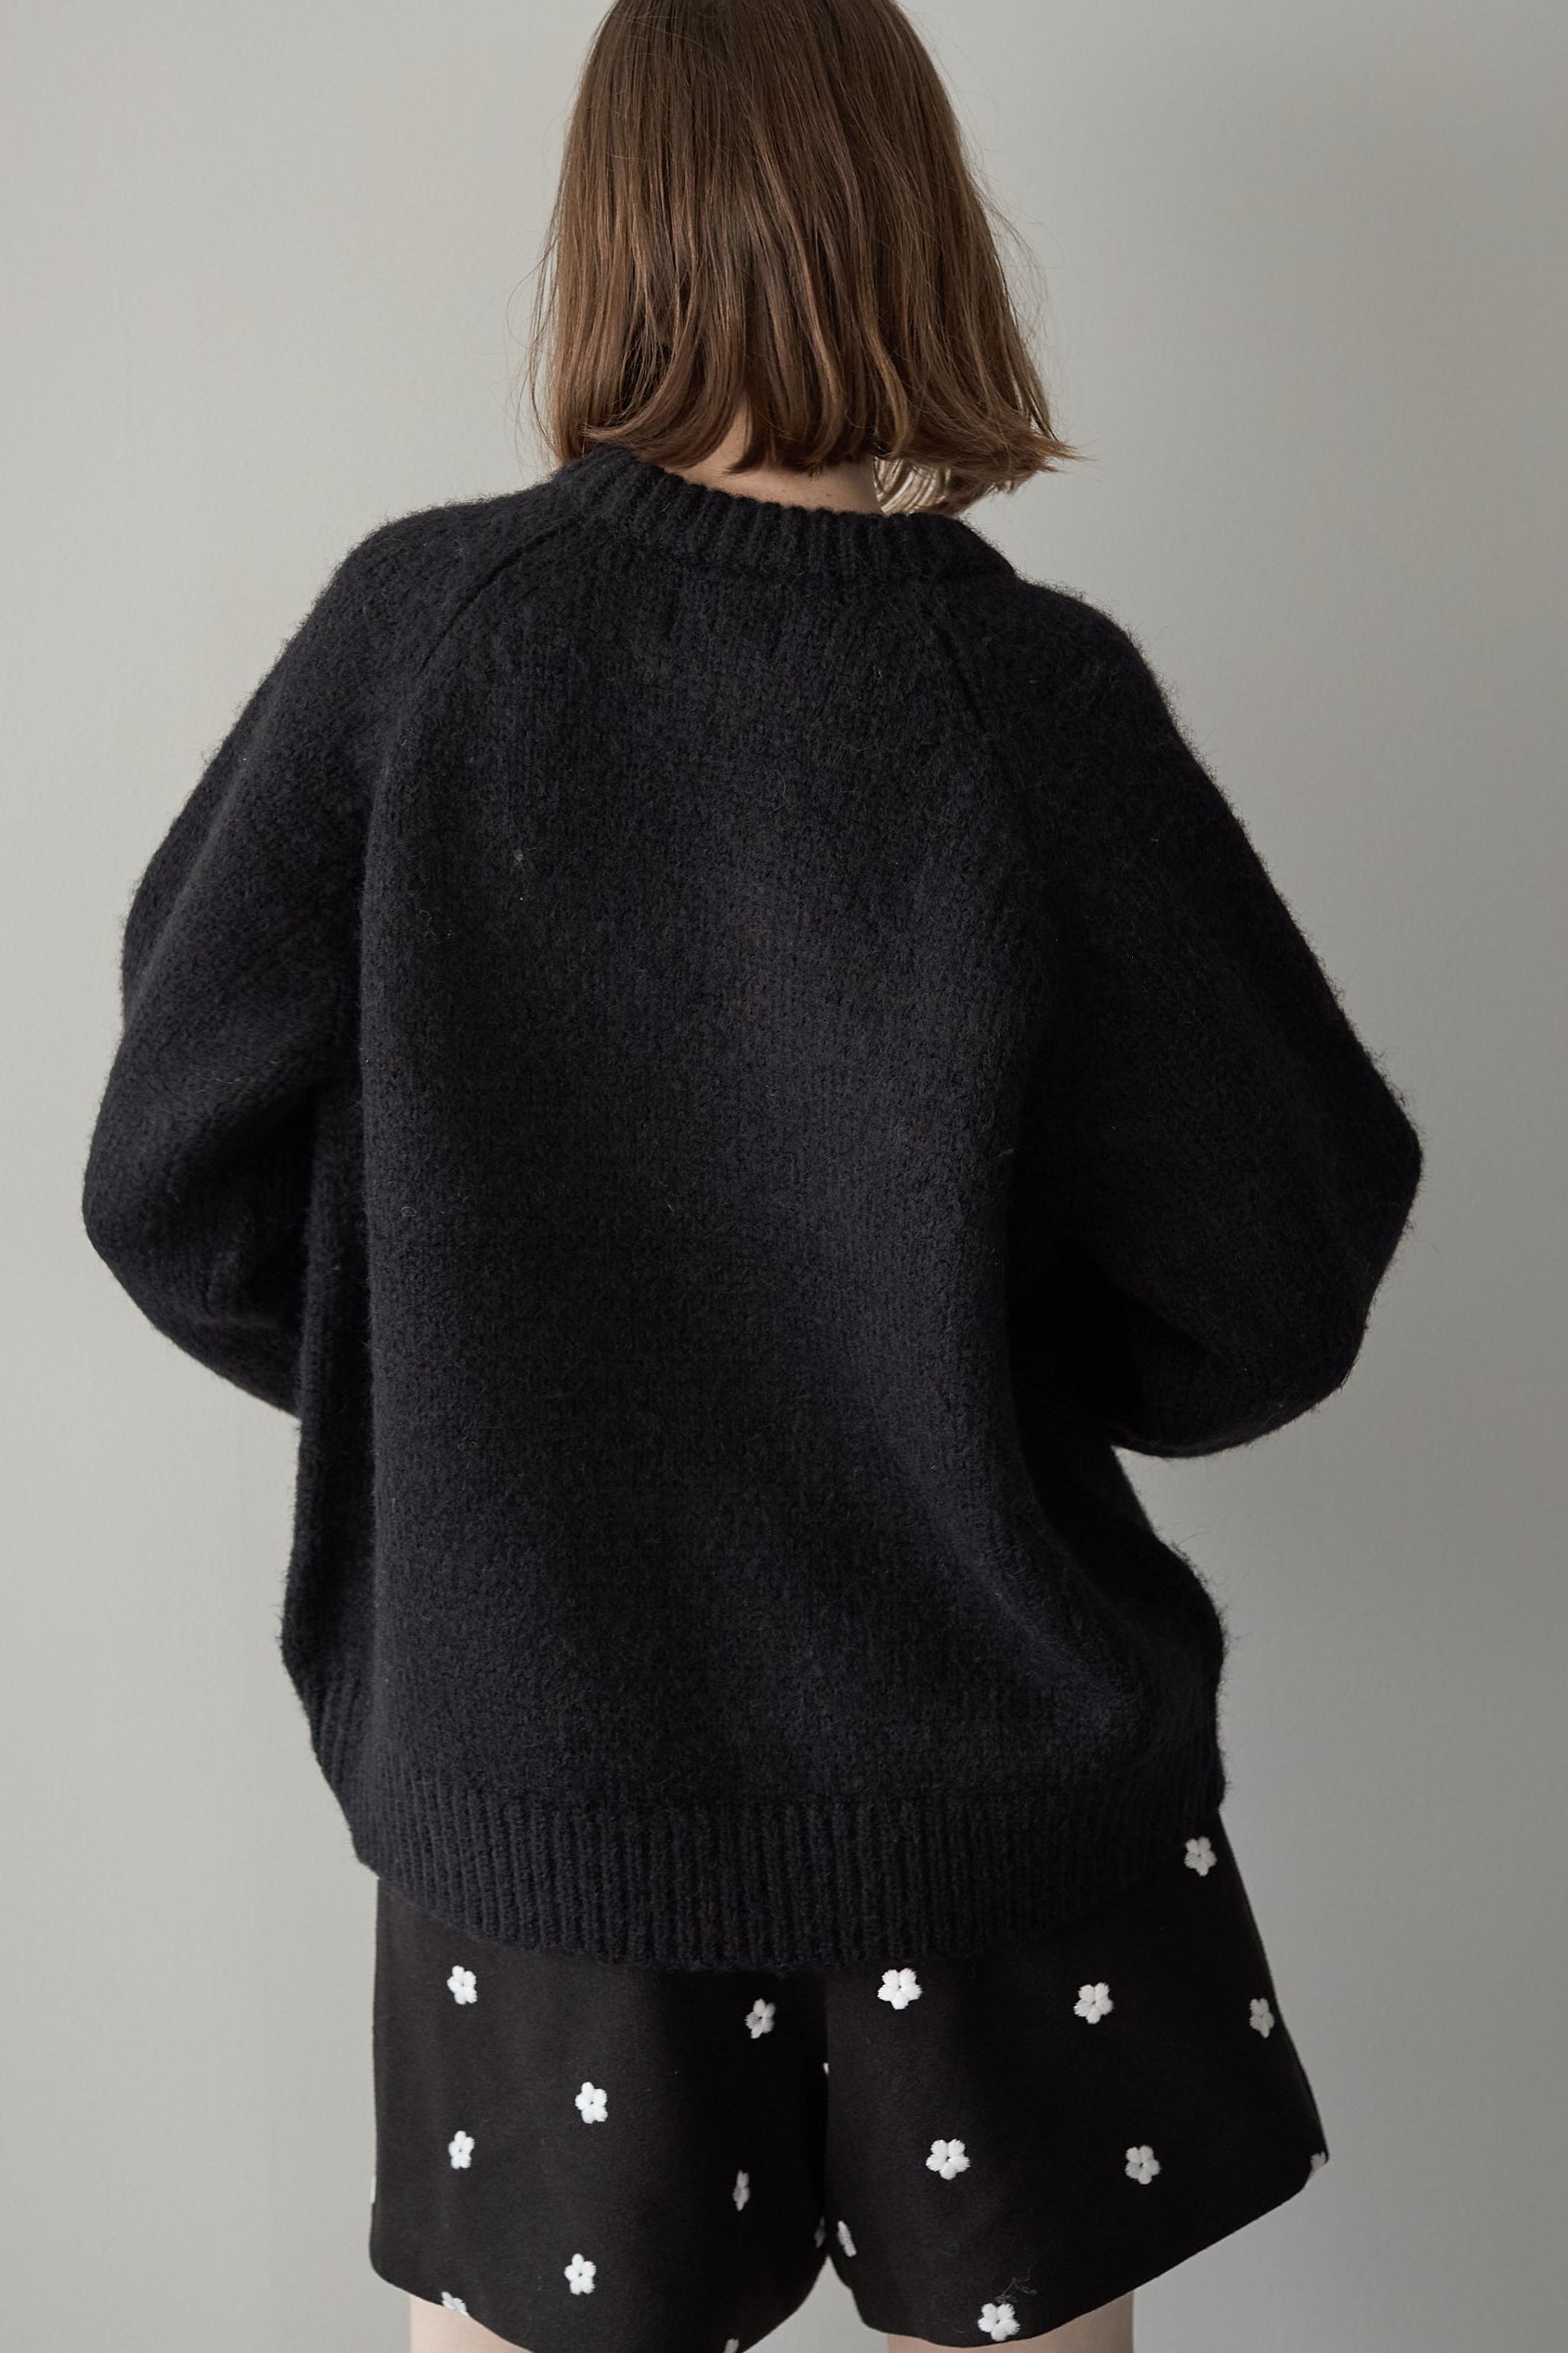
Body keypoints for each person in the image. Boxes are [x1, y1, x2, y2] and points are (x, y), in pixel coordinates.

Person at [79, 1, 1424, 2347]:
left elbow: (169, 1180)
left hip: (540, 1805)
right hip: (988, 1807)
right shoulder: (1030, 703)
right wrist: (955, 1355)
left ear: (607, 233)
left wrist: (470, 1388)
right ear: (920, 226)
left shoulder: (423, 644)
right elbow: (1270, 1283)